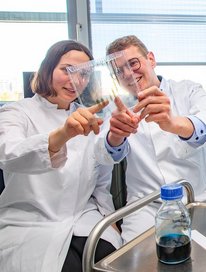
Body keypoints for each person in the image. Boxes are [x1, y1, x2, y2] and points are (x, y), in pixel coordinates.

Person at [0, 40, 122, 272]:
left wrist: (110, 217)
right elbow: (8, 153)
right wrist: (62, 135)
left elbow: (101, 179)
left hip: (84, 220)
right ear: (47, 70)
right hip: (31, 223)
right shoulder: (16, 112)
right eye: (66, 70)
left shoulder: (88, 116)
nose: (75, 80)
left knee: (111, 262)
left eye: (84, 74)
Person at [96, 35, 206, 242]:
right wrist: (116, 137)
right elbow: (102, 155)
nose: (128, 73)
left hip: (201, 199)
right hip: (146, 207)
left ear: (151, 59)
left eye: (133, 63)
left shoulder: (187, 90)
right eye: (119, 70)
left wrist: (174, 123)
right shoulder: (115, 108)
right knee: (137, 264)